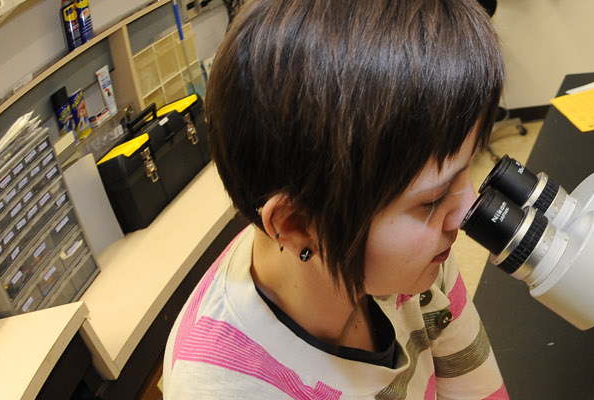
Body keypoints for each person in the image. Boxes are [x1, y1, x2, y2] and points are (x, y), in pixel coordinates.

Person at [161, 0, 508, 398]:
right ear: (297, 224)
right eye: (432, 199)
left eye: (467, 170)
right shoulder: (230, 388)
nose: (466, 210)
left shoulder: (407, 251)